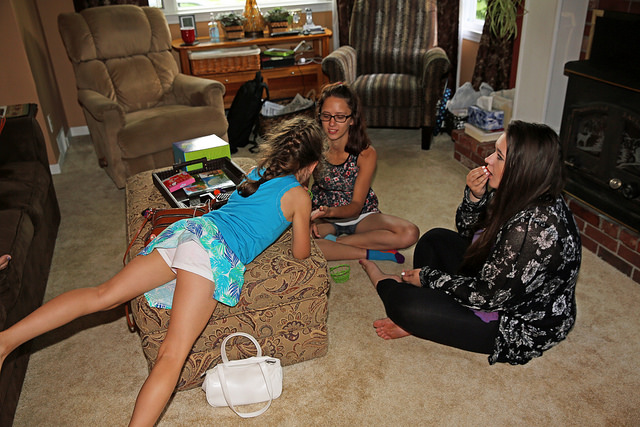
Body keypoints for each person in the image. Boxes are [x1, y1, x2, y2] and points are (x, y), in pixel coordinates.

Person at [0, 116, 325, 426]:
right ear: (310, 166)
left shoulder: (259, 170)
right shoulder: (299, 196)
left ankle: (5, 340)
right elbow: (300, 252)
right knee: (172, 354)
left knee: (103, 295)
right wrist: (304, 218)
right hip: (213, 252)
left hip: (191, 231)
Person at [360, 120, 582, 365]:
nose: (488, 160)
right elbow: (468, 233)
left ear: (522, 168)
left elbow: (486, 297)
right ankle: (430, 318)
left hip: (516, 322)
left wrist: (430, 278)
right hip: (498, 279)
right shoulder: (525, 189)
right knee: (434, 240)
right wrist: (475, 198)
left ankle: (390, 289)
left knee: (405, 305)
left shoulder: (530, 230)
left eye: (498, 156)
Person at [310, 82, 419, 263]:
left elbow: (356, 206)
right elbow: (301, 190)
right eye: (326, 115)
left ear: (352, 119)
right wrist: (308, 218)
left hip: (360, 216)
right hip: (324, 219)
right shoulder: (313, 147)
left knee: (410, 233)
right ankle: (367, 252)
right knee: (296, 243)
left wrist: (329, 211)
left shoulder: (366, 153)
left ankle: (339, 243)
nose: (331, 123)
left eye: (340, 117)